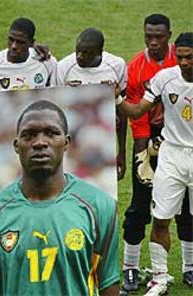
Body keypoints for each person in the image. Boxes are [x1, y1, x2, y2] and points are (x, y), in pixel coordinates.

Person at [0, 100, 119, 296]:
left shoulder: (101, 207)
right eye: (29, 135)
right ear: (16, 145)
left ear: (66, 143)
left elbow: (109, 285)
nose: (40, 142)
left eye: (51, 133)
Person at [116, 32, 193, 295]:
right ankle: (160, 278)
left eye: (190, 58)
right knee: (161, 218)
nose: (184, 63)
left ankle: (189, 267)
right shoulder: (164, 78)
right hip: (171, 155)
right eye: (180, 57)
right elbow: (138, 111)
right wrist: (117, 98)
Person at [56, 27, 127, 182]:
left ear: (99, 53)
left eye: (87, 53)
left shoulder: (117, 65)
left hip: (104, 139)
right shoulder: (64, 67)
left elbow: (123, 111)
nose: (80, 56)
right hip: (71, 140)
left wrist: (121, 151)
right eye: (78, 51)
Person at [0, 18, 57, 91]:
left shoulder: (45, 61)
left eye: (20, 42)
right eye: (11, 40)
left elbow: (54, 91)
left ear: (31, 43)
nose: (13, 46)